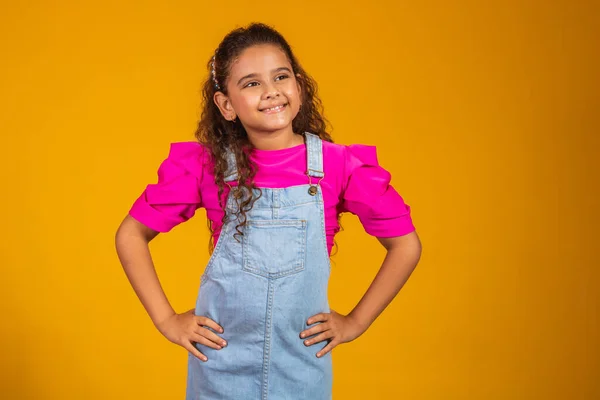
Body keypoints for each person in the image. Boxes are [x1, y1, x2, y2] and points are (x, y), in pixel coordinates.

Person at [115, 22, 422, 400]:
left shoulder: (339, 166)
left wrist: (356, 321)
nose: (271, 90)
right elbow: (131, 234)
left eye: (281, 76)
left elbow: (405, 245)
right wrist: (166, 320)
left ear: (299, 86)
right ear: (226, 104)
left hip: (301, 370)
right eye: (251, 83)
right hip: (220, 370)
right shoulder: (205, 167)